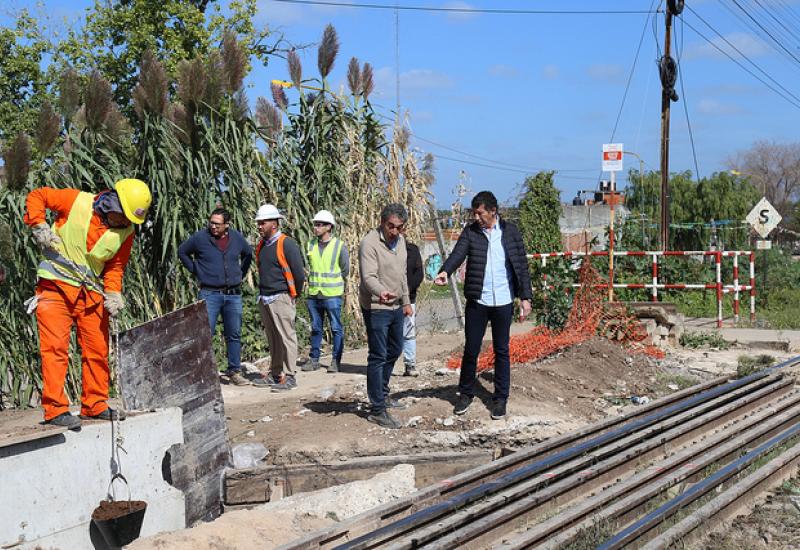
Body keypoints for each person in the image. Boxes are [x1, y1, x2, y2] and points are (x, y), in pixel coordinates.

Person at [23, 179, 152, 429]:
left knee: (97, 350)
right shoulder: (76, 201)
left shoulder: (126, 232)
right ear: (113, 202)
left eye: (130, 220)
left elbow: (115, 267)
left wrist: (113, 293)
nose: (125, 222)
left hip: (90, 294)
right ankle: (55, 409)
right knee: (55, 349)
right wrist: (39, 224)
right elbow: (38, 195)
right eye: (123, 216)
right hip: (55, 287)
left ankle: (95, 404)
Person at [434, 191, 532, 420]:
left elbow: (521, 266)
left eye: (480, 213)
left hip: (503, 301)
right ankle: (465, 393)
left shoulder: (510, 233)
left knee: (502, 350)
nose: (476, 217)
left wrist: (525, 297)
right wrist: (445, 271)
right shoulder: (471, 232)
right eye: (474, 213)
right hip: (478, 300)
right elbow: (458, 254)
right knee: (471, 348)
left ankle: (500, 398)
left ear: (493, 211)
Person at [178, 208, 253, 386]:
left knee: (234, 334)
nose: (213, 226)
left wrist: (239, 274)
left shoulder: (236, 238)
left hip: (233, 295)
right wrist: (196, 270)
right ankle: (203, 374)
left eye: (217, 224)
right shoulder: (200, 238)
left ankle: (234, 371)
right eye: (211, 222)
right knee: (204, 334)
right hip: (209, 294)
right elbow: (182, 252)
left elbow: (248, 254)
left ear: (226, 225)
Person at [359, 203, 413, 429]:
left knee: (396, 349)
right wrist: (381, 292)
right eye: (390, 226)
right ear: (382, 222)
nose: (394, 231)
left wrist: (406, 301)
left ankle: (382, 392)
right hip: (376, 305)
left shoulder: (400, 242)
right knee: (378, 355)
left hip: (396, 304)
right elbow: (368, 277)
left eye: (399, 227)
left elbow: (402, 274)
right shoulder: (369, 243)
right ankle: (377, 409)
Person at [251, 204, 305, 391]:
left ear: (274, 223)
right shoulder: (262, 245)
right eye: (258, 223)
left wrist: (294, 294)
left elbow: (299, 273)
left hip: (281, 296)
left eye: (263, 223)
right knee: (273, 338)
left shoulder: (286, 243)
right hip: (265, 298)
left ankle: (290, 376)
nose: (259, 226)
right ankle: (275, 373)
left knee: (287, 337)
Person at [302, 210, 349, 373]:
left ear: (329, 227)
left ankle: (336, 361)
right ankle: (314, 360)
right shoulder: (310, 244)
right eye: (315, 224)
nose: (315, 227)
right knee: (316, 328)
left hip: (332, 294)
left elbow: (345, 269)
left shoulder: (339, 246)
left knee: (336, 328)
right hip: (314, 294)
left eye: (319, 224)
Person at [402, 232, 424, 377]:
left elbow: (419, 274)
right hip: (389, 298)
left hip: (409, 298)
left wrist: (408, 290)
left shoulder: (412, 250)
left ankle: (410, 364)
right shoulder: (384, 251)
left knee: (409, 331)